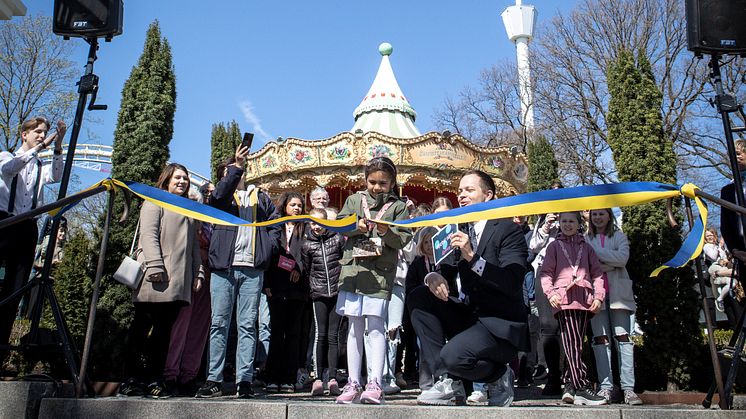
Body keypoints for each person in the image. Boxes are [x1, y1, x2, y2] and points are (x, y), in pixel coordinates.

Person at [408, 170, 529, 407]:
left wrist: (473, 258)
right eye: (460, 191)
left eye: (469, 190)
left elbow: (512, 282)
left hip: (500, 324)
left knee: (453, 357)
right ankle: (447, 381)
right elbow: (447, 270)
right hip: (471, 316)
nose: (461, 196)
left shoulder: (508, 230)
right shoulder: (459, 229)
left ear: (488, 196)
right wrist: (433, 276)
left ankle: (498, 375)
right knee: (420, 296)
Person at [197, 145, 281, 399]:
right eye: (229, 173)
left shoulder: (260, 197)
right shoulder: (223, 199)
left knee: (247, 326)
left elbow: (275, 223)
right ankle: (214, 378)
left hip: (252, 270)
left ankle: (244, 379)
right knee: (219, 324)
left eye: (238, 172)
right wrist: (235, 168)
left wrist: (269, 247)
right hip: (224, 267)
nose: (235, 175)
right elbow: (219, 195)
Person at [119, 163, 205, 398]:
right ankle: (130, 378)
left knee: (163, 334)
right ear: (166, 180)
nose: (182, 182)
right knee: (141, 329)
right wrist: (155, 265)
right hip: (155, 276)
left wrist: (198, 273)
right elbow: (148, 234)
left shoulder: (190, 209)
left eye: (185, 178)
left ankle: (155, 380)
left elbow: (194, 246)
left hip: (178, 280)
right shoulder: (154, 201)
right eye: (177, 177)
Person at [334, 157, 412, 404]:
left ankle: (375, 382)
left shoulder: (398, 207)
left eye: (383, 183)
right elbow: (339, 225)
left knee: (376, 327)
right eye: (372, 182)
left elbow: (404, 239)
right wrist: (355, 226)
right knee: (354, 328)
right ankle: (353, 382)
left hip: (380, 273)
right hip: (354, 272)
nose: (377, 187)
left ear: (392, 183)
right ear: (365, 180)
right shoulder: (354, 200)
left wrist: (386, 232)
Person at [0, 117, 66, 362]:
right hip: (4, 223)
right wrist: (40, 147)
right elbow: (10, 169)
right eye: (37, 131)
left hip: (27, 227)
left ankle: (2, 349)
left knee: (15, 289)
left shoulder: (39, 165)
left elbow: (56, 175)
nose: (41, 135)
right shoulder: (7, 156)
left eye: (44, 132)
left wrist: (57, 146)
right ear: (23, 134)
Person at [539, 211, 606, 406]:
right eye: (564, 221)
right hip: (563, 299)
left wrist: (599, 296)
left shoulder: (587, 248)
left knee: (575, 344)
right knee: (571, 344)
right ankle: (581, 386)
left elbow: (598, 274)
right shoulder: (554, 247)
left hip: (584, 300)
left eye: (571, 221)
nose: (568, 224)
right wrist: (550, 293)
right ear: (559, 223)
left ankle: (569, 384)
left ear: (579, 224)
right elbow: (546, 273)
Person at [586, 208, 642, 405]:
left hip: (619, 294)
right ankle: (605, 387)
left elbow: (622, 259)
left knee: (623, 339)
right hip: (595, 296)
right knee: (600, 340)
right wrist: (609, 260)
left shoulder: (619, 236)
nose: (598, 218)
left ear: (609, 216)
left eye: (602, 214)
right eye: (595, 214)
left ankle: (628, 388)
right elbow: (587, 265)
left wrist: (598, 257)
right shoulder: (586, 238)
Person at [162, 188, 213, 397]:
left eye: (195, 200)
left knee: (199, 328)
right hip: (183, 274)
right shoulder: (176, 217)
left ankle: (189, 374)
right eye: (189, 199)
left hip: (208, 275)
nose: (192, 202)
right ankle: (170, 373)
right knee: (179, 326)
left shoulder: (209, 220)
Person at [263, 192, 307, 393]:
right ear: (285, 206)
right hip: (277, 284)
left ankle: (289, 377)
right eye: (293, 205)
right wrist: (267, 283)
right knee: (276, 331)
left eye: (299, 205)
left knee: (293, 334)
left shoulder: (304, 228)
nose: (296, 208)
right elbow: (269, 255)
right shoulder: (275, 227)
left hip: (297, 287)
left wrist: (300, 269)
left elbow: (308, 254)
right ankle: (271, 376)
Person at [302, 207, 345, 396]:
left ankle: (333, 377)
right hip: (318, 292)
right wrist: (311, 288)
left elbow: (342, 260)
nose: (316, 226)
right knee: (320, 334)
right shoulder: (307, 244)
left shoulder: (336, 239)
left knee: (333, 335)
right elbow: (306, 268)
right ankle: (318, 378)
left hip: (336, 290)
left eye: (320, 222)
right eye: (313, 222)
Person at [528, 181, 564, 395]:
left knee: (566, 324)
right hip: (544, 272)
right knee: (547, 324)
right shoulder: (542, 222)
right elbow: (533, 246)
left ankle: (569, 372)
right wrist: (546, 225)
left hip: (567, 273)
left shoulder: (571, 220)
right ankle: (552, 374)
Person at [719, 138, 746, 330]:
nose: (735, 159)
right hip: (743, 254)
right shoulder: (727, 190)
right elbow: (726, 225)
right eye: (732, 156)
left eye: (738, 154)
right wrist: (735, 251)